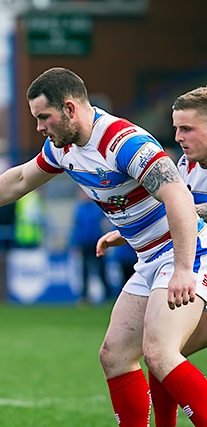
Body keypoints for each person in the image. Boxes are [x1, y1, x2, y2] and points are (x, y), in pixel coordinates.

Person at [0, 67, 207, 426]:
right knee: (115, 356)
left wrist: (183, 268)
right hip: (150, 256)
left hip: (185, 250)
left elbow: (177, 195)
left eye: (44, 117)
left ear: (70, 109)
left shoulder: (123, 142)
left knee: (160, 353)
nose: (40, 126)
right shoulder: (64, 146)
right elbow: (22, 178)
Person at [98, 86, 207, 427]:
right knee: (161, 352)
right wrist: (126, 231)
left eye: (187, 128)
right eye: (175, 128)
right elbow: (176, 210)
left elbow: (186, 210)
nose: (178, 137)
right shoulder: (185, 164)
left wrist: (191, 211)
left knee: (162, 353)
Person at [70, 188, 112, 303]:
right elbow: (76, 228)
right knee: (84, 272)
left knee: (101, 270)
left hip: (97, 243)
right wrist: (74, 243)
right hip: (84, 244)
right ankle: (84, 296)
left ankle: (108, 294)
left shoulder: (97, 207)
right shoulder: (79, 208)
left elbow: (105, 223)